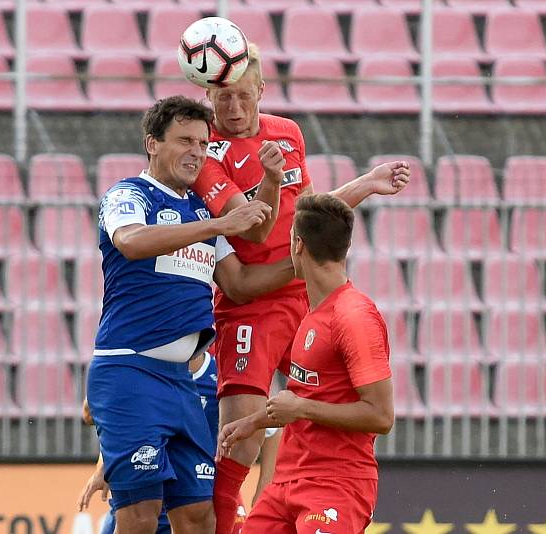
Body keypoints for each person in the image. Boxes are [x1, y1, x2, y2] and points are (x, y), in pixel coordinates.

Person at [191, 43, 410, 533]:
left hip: (300, 294)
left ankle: (297, 499)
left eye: (244, 96)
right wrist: (271, 185)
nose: (233, 108)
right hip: (251, 304)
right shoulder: (208, 152)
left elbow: (310, 214)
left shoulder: (287, 132)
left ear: (262, 91)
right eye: (223, 98)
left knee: (311, 400)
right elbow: (250, 229)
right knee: (241, 435)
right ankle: (229, 520)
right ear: (208, 94)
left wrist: (365, 184)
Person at [85, 95, 295, 534]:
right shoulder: (129, 194)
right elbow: (131, 241)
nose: (197, 152)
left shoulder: (199, 211)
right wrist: (218, 226)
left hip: (184, 383)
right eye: (184, 141)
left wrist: (305, 264)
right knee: (140, 517)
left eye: (203, 143)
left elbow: (238, 283)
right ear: (152, 144)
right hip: (130, 371)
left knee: (199, 517)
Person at [216, 193, 395, 534]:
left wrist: (301, 409)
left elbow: (381, 416)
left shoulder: (354, 316)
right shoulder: (312, 315)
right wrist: (252, 422)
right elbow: (302, 396)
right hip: (287, 481)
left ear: (297, 245)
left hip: (336, 483)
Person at [77, 351, 282, 534]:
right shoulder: (144, 367)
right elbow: (100, 412)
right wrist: (103, 463)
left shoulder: (223, 374)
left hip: (202, 496)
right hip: (144, 497)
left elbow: (270, 427)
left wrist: (263, 492)